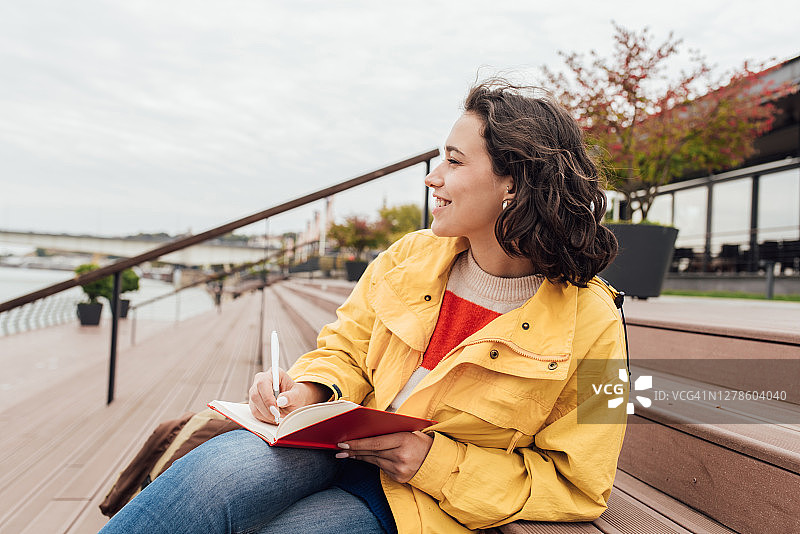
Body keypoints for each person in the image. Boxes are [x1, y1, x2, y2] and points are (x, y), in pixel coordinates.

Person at [100, 79, 627, 534]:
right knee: (218, 476)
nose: (432, 177)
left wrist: (433, 463)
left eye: (454, 160)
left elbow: (581, 485)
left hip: (417, 501)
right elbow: (344, 350)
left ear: (513, 182)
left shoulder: (597, 322)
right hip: (327, 448)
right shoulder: (408, 257)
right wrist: (308, 389)